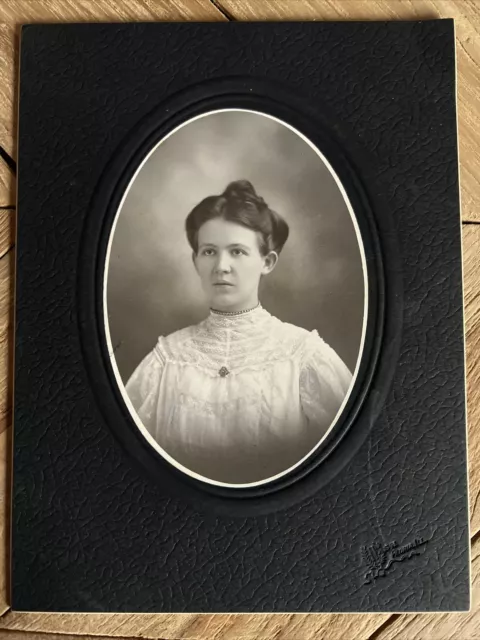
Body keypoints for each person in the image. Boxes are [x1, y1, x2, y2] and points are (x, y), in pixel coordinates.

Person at [126, 180, 352, 484]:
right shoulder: (166, 361)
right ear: (195, 261)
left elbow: (348, 466)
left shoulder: (302, 357)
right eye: (208, 252)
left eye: (237, 252)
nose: (221, 266)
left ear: (267, 262)